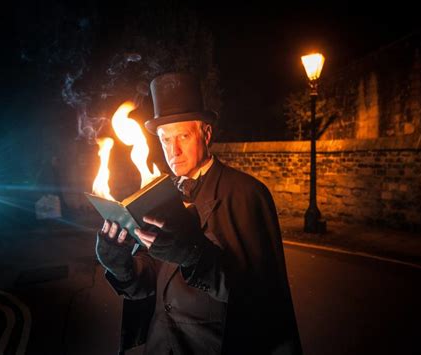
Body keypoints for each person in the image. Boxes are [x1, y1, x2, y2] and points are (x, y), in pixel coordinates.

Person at [95, 72, 302, 354]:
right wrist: (120, 266)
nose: (173, 150)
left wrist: (195, 255)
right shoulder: (157, 194)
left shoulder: (245, 193)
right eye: (166, 139)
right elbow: (147, 285)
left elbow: (259, 296)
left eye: (183, 136)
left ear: (206, 134)